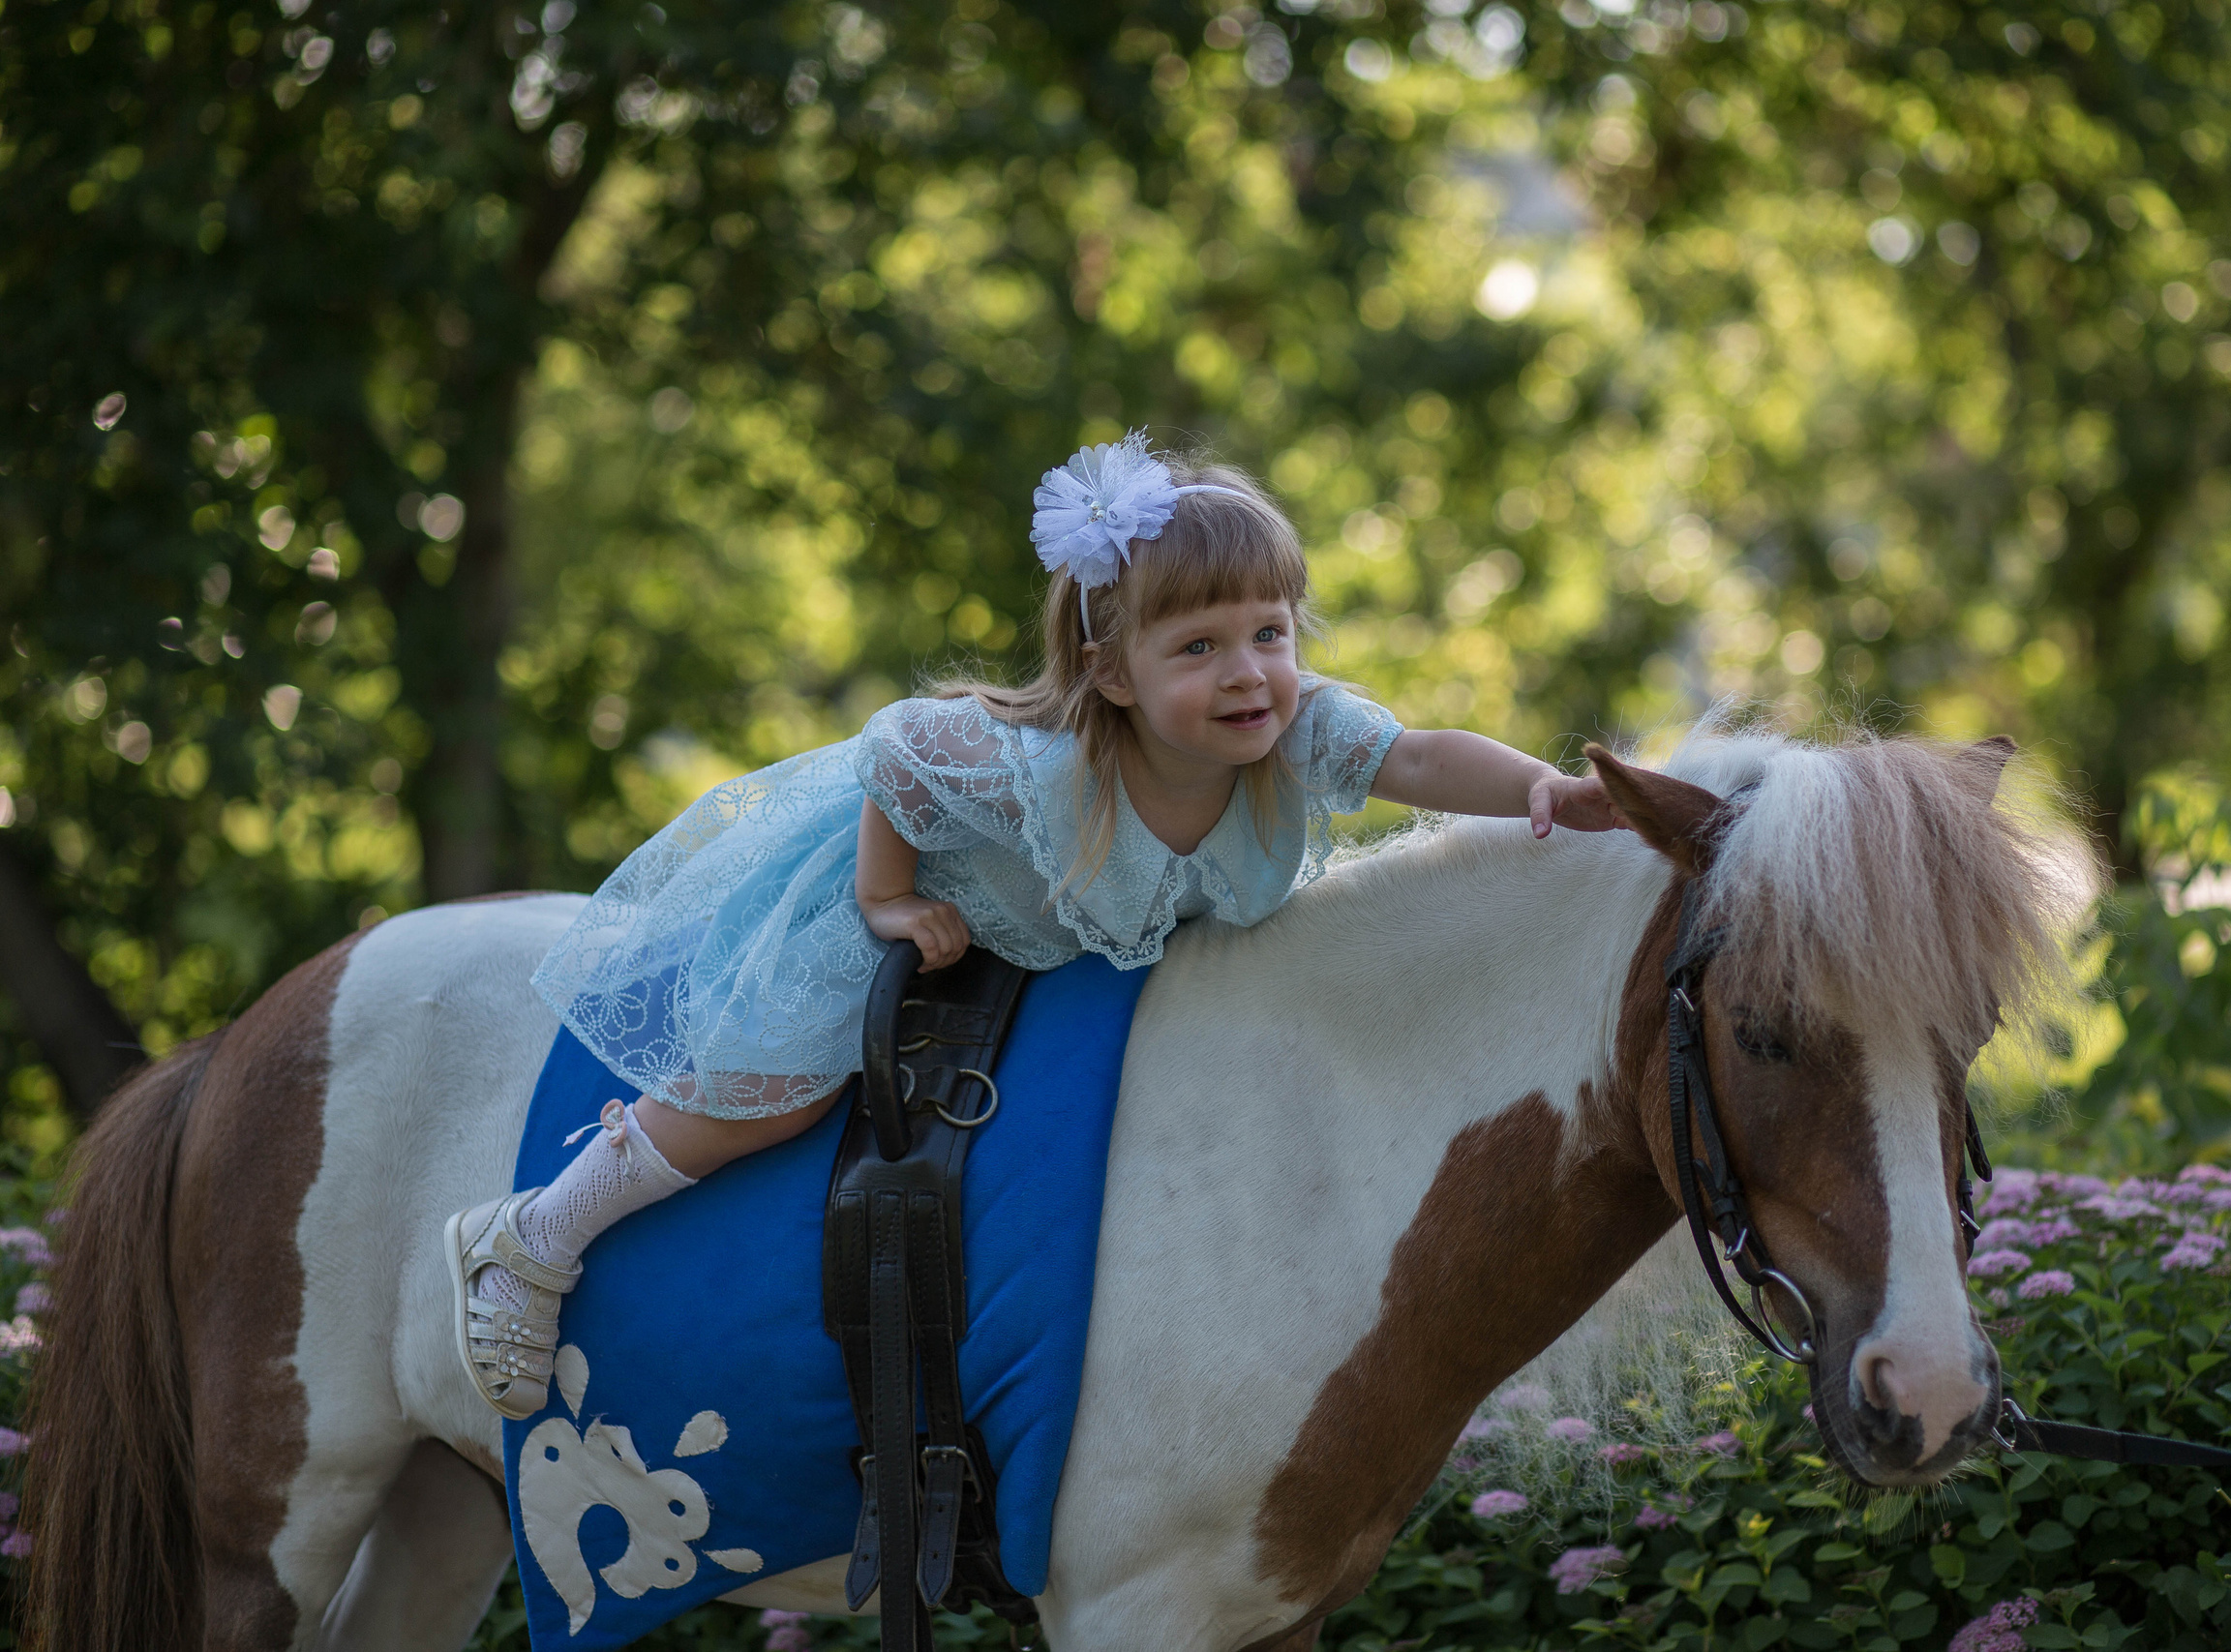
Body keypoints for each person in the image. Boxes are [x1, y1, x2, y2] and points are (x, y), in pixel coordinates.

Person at [447, 431, 1621, 1419]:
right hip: (936, 896)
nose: (1248, 673)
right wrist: (886, 899)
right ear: (1112, 675)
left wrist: (1540, 787)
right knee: (775, 1090)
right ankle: (535, 1235)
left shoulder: (1299, 728)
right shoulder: (1039, 768)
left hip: (1065, 947)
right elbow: (895, 760)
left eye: (1269, 632)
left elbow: (1419, 756)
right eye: (1198, 647)